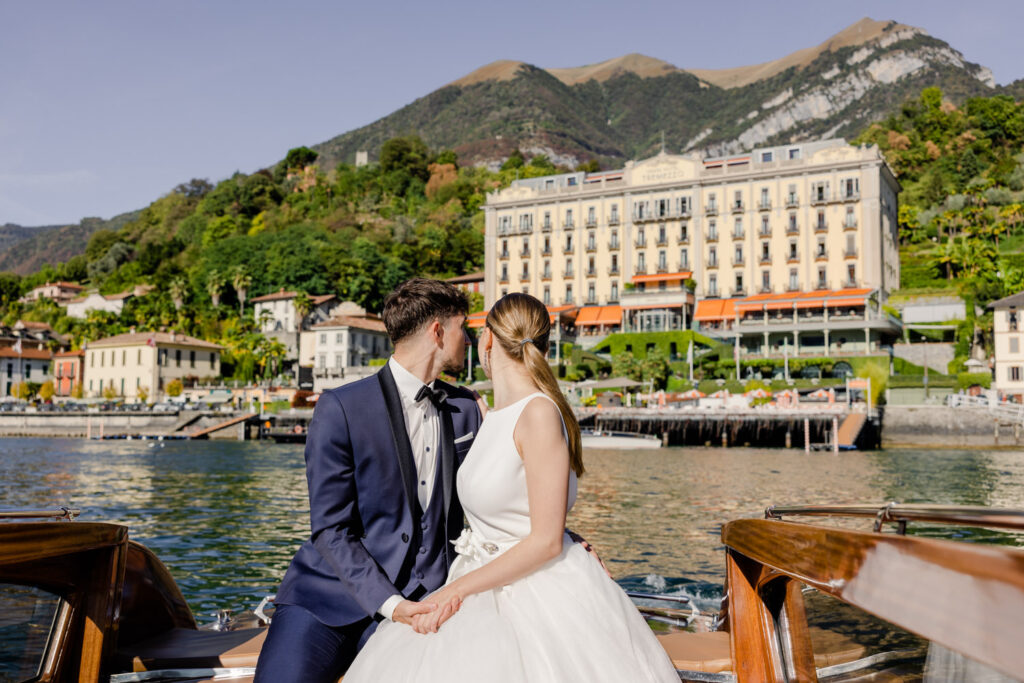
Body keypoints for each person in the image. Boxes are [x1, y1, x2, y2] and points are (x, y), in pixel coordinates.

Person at [343, 293, 679, 682]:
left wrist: (453, 592)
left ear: (487, 340)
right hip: (479, 579)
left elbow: (545, 541)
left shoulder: (538, 413)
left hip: (535, 594)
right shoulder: (490, 414)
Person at [254, 278, 485, 682]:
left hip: (430, 601)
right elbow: (330, 530)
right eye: (462, 328)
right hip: (328, 598)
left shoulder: (466, 409)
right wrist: (391, 604)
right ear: (438, 331)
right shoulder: (340, 407)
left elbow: (502, 492)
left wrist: (565, 538)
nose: (466, 340)